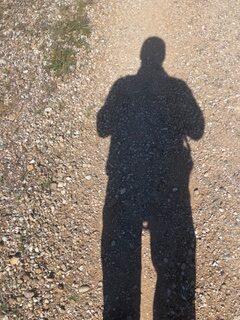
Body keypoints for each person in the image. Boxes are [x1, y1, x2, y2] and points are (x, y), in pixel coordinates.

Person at [97, 37, 204, 320]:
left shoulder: (122, 86)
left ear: (142, 56)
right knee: (172, 262)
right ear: (162, 57)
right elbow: (197, 129)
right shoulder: (177, 88)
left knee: (121, 260)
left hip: (124, 182)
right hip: (169, 184)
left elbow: (102, 126)